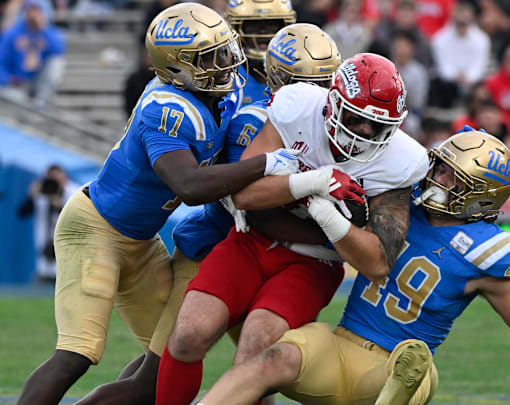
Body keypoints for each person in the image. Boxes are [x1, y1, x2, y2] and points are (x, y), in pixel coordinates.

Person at [15, 4, 302, 405]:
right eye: (210, 58)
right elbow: (188, 185)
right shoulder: (165, 107)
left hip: (141, 240)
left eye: (224, 52)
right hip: (95, 229)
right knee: (78, 354)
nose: (225, 65)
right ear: (178, 67)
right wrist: (266, 163)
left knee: (162, 364)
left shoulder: (223, 88)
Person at [195, 130, 510, 405]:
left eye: (450, 174)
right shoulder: (398, 205)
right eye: (439, 166)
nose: (436, 175)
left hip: (390, 365)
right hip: (341, 347)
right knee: (272, 357)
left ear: (477, 197)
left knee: (415, 367)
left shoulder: (486, 251)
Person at [74, 22, 342, 405]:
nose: (320, 94)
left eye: (327, 81)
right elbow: (246, 202)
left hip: (298, 260)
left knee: (256, 363)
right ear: (279, 81)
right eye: (306, 83)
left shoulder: (355, 125)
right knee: (170, 360)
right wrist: (334, 234)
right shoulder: (253, 119)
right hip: (223, 244)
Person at [155, 53, 430, 405]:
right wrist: (314, 182)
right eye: (356, 118)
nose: (364, 131)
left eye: (376, 126)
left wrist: (321, 208)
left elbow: (377, 263)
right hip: (252, 241)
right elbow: (243, 196)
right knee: (188, 332)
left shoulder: (400, 161)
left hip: (315, 263)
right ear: (332, 103)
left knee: (256, 347)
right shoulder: (298, 107)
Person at [0, 0, 66, 109]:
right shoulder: (12, 33)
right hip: (16, 84)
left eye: (37, 11)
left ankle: (41, 101)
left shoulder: (49, 33)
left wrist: (44, 28)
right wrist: (7, 80)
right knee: (16, 98)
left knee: (57, 63)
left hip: (37, 83)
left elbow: (59, 50)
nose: (33, 14)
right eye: (31, 10)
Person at [226, 0, 296, 104]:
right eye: (253, 24)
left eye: (271, 24)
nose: (263, 32)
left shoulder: (298, 72)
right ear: (237, 27)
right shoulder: (226, 75)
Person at [17, 164, 79, 282]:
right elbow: (21, 213)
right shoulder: (42, 193)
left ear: (65, 178)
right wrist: (31, 196)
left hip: (69, 259)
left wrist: (59, 204)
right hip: (44, 262)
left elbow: (77, 219)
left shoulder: (74, 192)